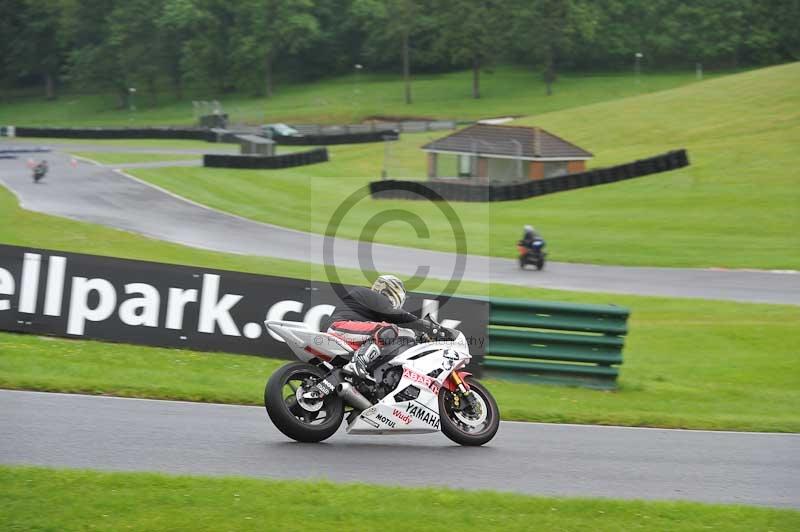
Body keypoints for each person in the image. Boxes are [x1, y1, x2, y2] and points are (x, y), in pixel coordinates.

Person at [326, 274, 434, 381]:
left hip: (343, 332)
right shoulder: (371, 295)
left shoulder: (371, 305)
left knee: (388, 335)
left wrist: (419, 336)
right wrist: (426, 326)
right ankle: (358, 362)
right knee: (389, 330)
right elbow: (397, 316)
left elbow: (400, 327)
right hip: (339, 327)